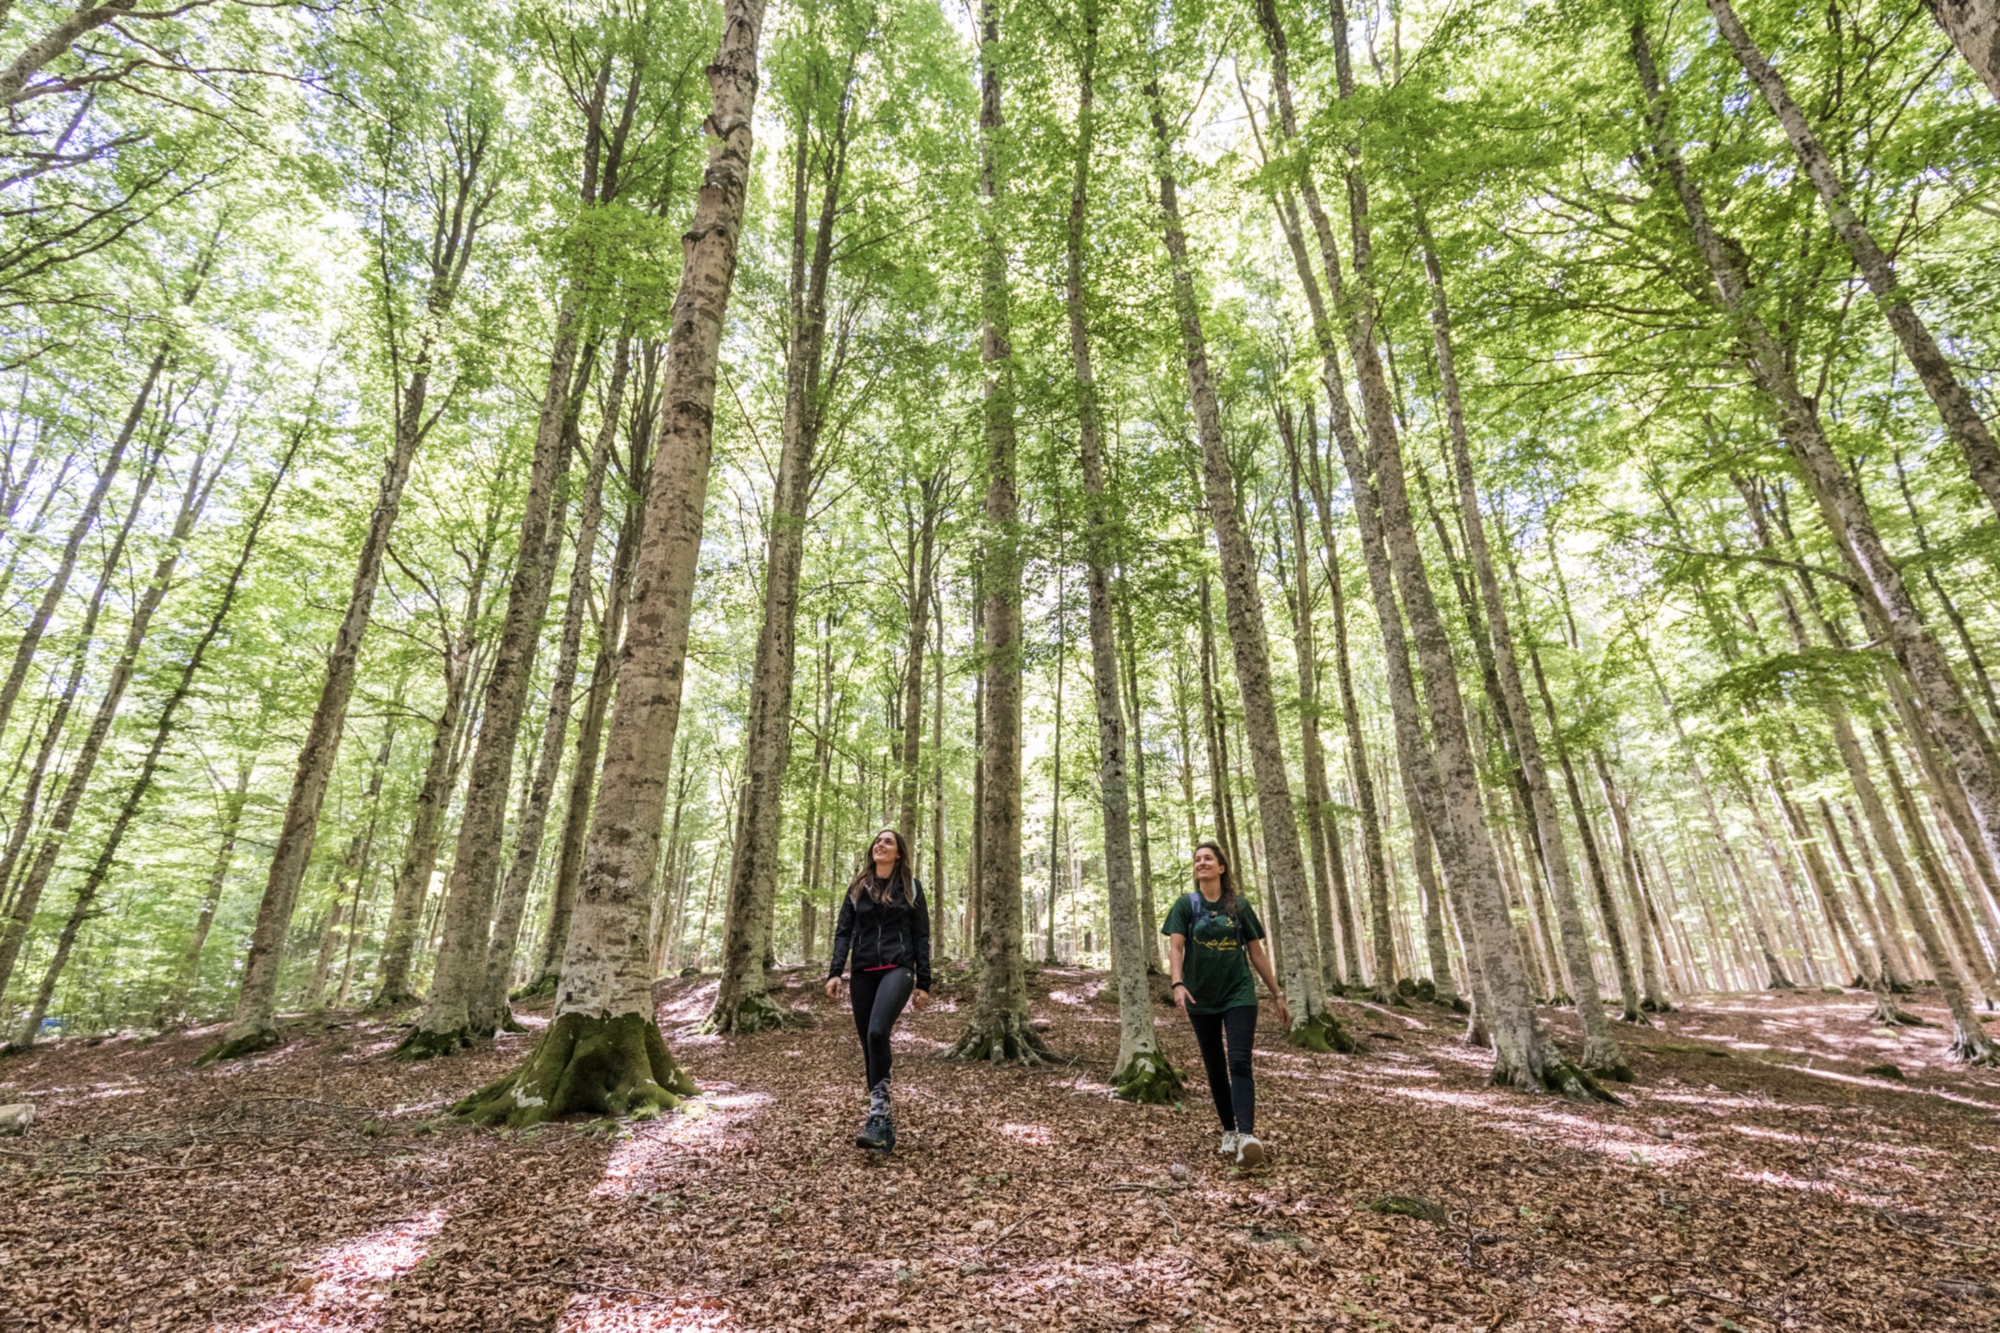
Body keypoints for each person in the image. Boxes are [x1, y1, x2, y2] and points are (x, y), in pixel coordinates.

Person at [1162, 839, 1290, 1167]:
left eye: (1208, 858)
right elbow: (1176, 948)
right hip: (1199, 996)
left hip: (1239, 993)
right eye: (1197, 860)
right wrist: (1177, 983)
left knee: (1239, 1061)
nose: (1201, 863)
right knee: (1215, 1067)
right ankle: (1229, 1131)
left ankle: (1247, 1137)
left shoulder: (1240, 907)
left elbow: (1256, 953)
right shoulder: (1185, 905)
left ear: (1221, 867)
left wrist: (1276, 993)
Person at [825, 828, 931, 1151]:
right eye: (877, 841)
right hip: (862, 973)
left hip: (898, 970)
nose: (880, 844)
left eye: (888, 841)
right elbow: (844, 931)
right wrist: (835, 973)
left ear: (899, 853)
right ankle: (880, 1121)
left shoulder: (911, 888)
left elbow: (921, 936)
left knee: (876, 1032)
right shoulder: (858, 888)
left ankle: (879, 1116)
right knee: (868, 1046)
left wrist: (923, 982)